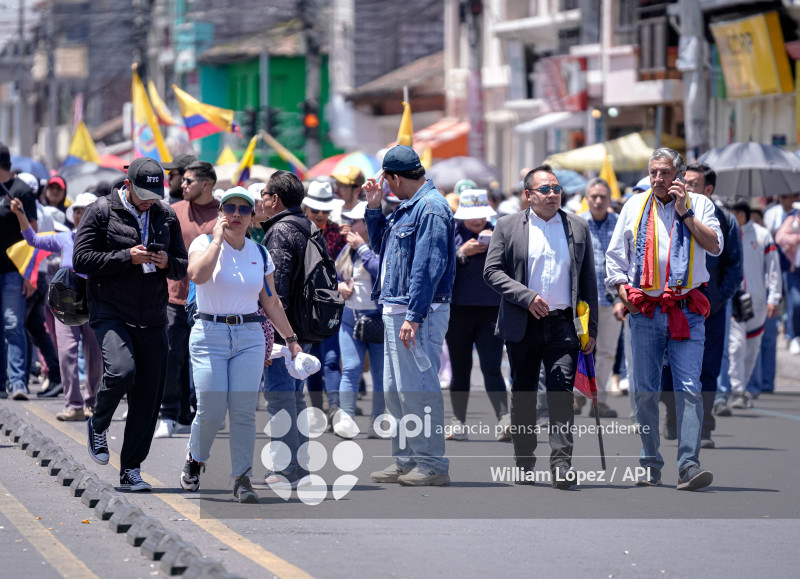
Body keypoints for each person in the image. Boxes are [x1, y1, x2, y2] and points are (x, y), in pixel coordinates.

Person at [605, 148, 722, 491]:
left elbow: (714, 245)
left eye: (665, 173)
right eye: (654, 172)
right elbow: (614, 260)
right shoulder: (634, 205)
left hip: (686, 309)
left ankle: (688, 465)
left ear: (679, 176)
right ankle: (649, 461)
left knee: (688, 387)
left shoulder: (700, 205)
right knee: (644, 390)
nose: (658, 179)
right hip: (647, 311)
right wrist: (625, 295)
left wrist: (685, 214)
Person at [180, 186, 301, 503]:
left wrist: (291, 340)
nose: (235, 214)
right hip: (210, 334)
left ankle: (241, 478)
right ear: (220, 212)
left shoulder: (260, 253)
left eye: (243, 209)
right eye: (229, 208)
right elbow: (197, 276)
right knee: (211, 410)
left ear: (252, 216)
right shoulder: (203, 243)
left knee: (244, 412)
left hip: (249, 336)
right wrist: (218, 242)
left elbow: (271, 303)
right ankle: (195, 458)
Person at [74, 157, 188, 492]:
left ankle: (131, 470)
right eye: (142, 194)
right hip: (110, 309)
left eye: (154, 194)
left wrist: (168, 261)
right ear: (127, 186)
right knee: (122, 370)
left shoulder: (166, 215)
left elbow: (182, 266)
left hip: (153, 314)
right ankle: (98, 421)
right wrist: (128, 257)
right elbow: (81, 260)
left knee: (148, 396)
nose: (149, 200)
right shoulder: (101, 211)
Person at [484, 165, 598, 489]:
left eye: (556, 188)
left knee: (560, 394)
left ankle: (562, 464)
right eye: (545, 189)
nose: (552, 194)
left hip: (564, 325)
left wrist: (591, 332)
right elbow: (491, 272)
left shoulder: (577, 227)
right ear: (528, 195)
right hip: (523, 324)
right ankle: (524, 459)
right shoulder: (507, 227)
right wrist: (525, 296)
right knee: (524, 396)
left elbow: (588, 283)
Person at [365, 145, 456, 487]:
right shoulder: (411, 205)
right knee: (395, 389)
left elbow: (427, 268)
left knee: (417, 388)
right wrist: (374, 208)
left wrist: (415, 314)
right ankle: (407, 459)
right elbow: (382, 248)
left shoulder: (430, 208)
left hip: (417, 311)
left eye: (386, 181)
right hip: (398, 307)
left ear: (394, 177)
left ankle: (431, 462)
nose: (385, 186)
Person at [661, 163, 742, 450]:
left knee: (708, 368)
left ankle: (704, 427)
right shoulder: (666, 212)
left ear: (708, 189)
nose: (686, 187)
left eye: (693, 183)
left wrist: (717, 298)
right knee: (669, 364)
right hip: (674, 303)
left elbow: (734, 266)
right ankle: (672, 417)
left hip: (712, 307)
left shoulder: (725, 220)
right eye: (684, 181)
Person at [10, 192, 103, 420]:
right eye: (78, 211)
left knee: (94, 356)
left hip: (95, 301)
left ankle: (91, 403)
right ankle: (74, 405)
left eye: (86, 210)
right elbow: (32, 240)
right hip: (67, 303)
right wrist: (21, 214)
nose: (81, 215)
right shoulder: (65, 238)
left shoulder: (105, 240)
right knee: (67, 353)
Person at [155, 161, 220, 438]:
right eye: (182, 180)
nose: (182, 184)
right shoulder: (173, 211)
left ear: (206, 184)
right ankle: (169, 414)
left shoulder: (225, 213)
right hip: (175, 296)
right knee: (172, 355)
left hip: (211, 300)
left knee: (205, 360)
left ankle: (196, 412)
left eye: (188, 181)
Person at [260, 171, 315, 488]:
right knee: (295, 398)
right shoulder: (308, 225)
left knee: (280, 398)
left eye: (264, 194)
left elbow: (273, 293)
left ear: (274, 199)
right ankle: (299, 466)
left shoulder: (280, 231)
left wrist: (273, 336)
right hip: (306, 327)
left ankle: (285, 467)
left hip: (285, 332)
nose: (262, 200)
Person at [444, 188, 510, 442]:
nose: (477, 220)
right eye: (471, 215)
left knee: (491, 366)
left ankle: (504, 419)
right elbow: (438, 266)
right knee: (460, 370)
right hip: (458, 311)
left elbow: (513, 266)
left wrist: (494, 245)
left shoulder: (499, 232)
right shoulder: (452, 232)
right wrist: (462, 253)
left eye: (481, 214)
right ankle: (458, 422)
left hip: (491, 310)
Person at [724, 199, 781, 410]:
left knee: (752, 349)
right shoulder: (726, 233)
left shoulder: (762, 235)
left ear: (741, 214)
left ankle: (743, 388)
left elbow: (773, 268)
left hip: (757, 301)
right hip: (735, 299)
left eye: (732, 213)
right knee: (736, 345)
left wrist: (774, 297)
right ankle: (737, 390)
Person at [334, 201, 384, 434]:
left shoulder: (379, 244)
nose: (351, 225)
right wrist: (340, 286)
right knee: (351, 368)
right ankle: (346, 419)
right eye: (351, 220)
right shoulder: (347, 249)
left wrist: (363, 247)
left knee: (380, 374)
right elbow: (333, 275)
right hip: (349, 317)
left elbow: (381, 273)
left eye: (357, 221)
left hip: (377, 318)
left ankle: (378, 421)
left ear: (368, 223)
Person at [578, 178, 621, 418]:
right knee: (577, 349)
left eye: (602, 196)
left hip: (611, 301)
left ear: (609, 199)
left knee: (607, 351)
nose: (597, 200)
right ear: (587, 198)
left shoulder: (619, 223)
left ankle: (599, 400)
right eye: (593, 196)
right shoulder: (577, 221)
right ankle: (575, 396)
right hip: (582, 303)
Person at [302, 181, 344, 419]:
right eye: (315, 210)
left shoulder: (340, 233)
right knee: (313, 359)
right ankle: (317, 409)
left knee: (330, 358)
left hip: (332, 304)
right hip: (306, 305)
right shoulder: (298, 230)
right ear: (306, 207)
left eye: (324, 210)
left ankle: (335, 407)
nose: (320, 215)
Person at [0, 143, 38, 400]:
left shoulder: (21, 191)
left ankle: (17, 383)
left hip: (14, 271)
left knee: (13, 325)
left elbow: (34, 236)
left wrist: (30, 274)